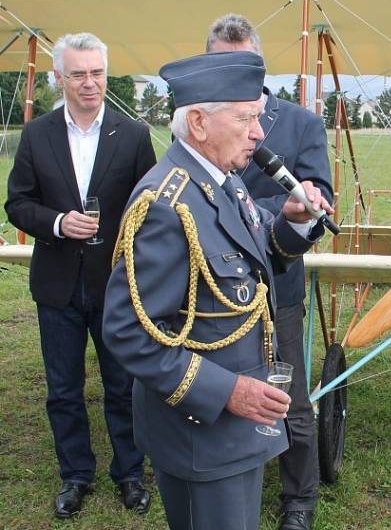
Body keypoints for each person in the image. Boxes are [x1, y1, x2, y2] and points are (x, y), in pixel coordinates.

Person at [102, 50, 333, 530]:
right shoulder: (165, 205)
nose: (259, 132)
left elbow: (256, 248)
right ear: (200, 123)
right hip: (201, 435)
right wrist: (227, 391)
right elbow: (127, 330)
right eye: (247, 117)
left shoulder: (221, 180)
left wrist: (295, 223)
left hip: (234, 431)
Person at [5, 32, 156, 518]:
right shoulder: (37, 134)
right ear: (59, 78)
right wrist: (56, 223)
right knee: (64, 389)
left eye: (96, 72)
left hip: (116, 285)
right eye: (78, 74)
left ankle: (130, 474)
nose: (89, 83)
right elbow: (18, 203)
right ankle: (76, 475)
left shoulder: (132, 135)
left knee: (123, 385)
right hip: (57, 286)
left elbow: (150, 208)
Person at [207, 13, 333, 530]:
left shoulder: (302, 124)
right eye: (222, 65)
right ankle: (226, 480)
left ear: (261, 66)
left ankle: (298, 501)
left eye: (245, 65)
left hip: (276, 287)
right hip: (213, 291)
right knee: (224, 391)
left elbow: (319, 205)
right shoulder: (199, 123)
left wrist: (307, 206)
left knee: (290, 397)